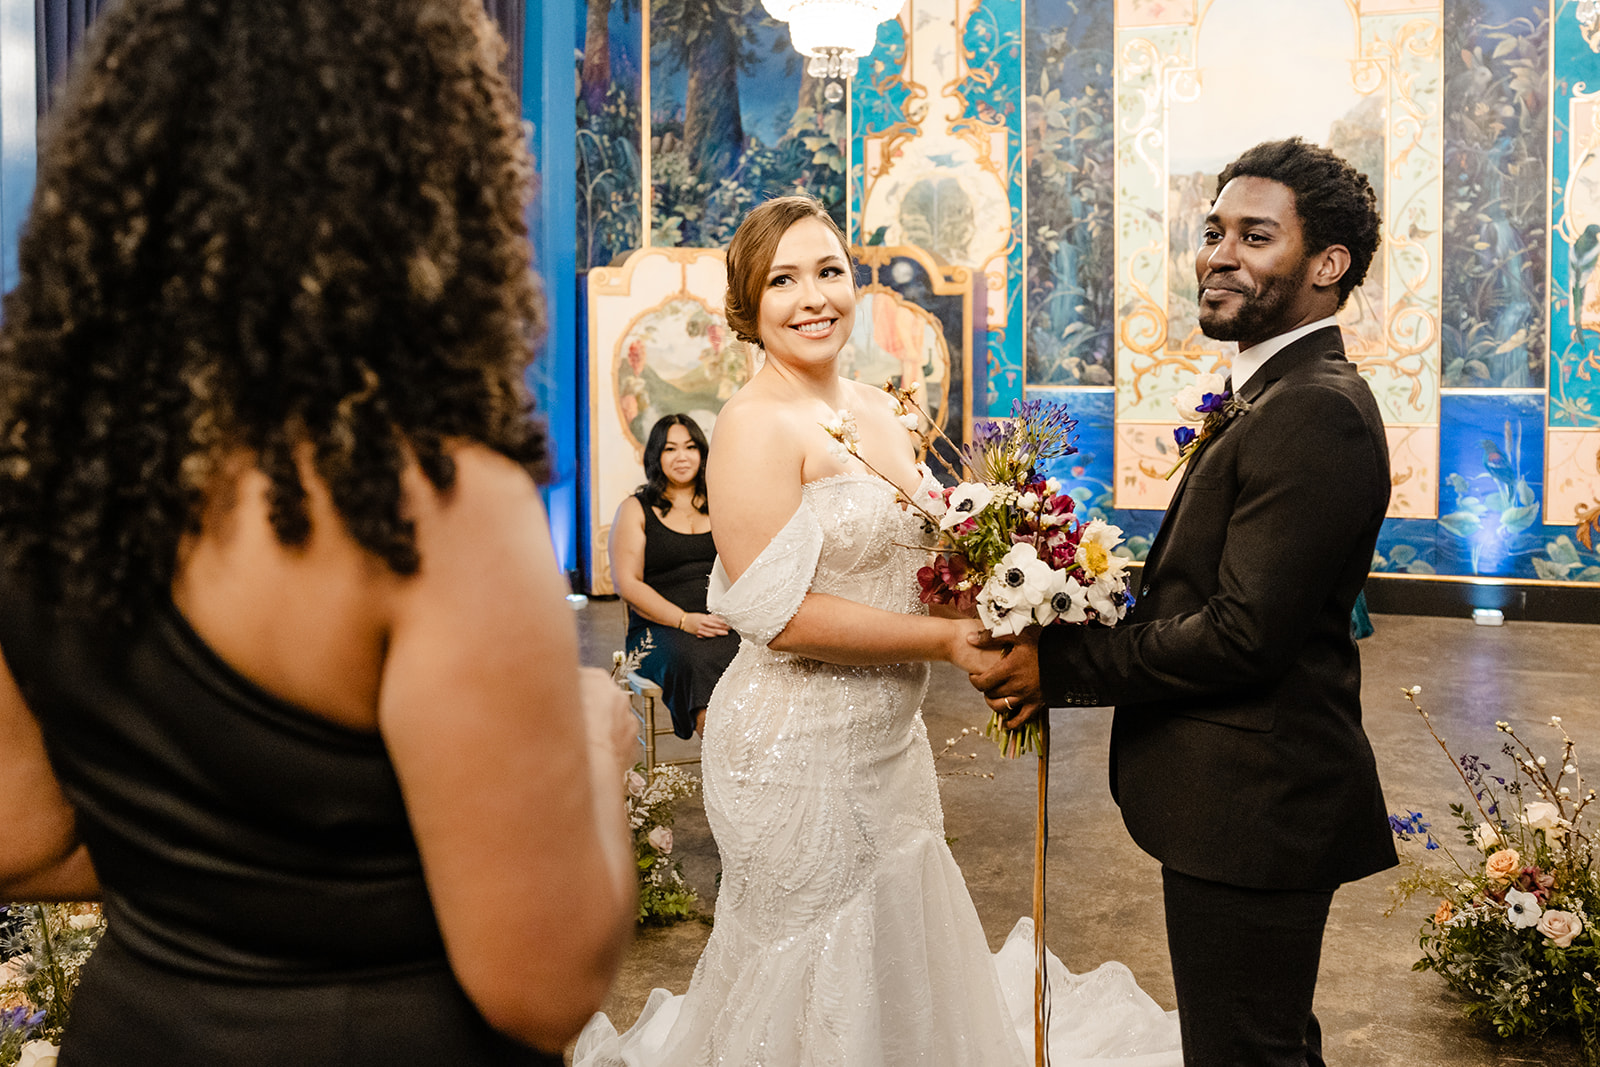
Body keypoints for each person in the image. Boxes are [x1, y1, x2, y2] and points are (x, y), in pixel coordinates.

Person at [0, 1, 636, 1063]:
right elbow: (545, 981)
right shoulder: (433, 496)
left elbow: (20, 837)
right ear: (423, 166)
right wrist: (595, 738)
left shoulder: (33, 456)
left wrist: (238, 876)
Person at [573, 195, 1181, 1065]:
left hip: (889, 746)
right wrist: (941, 642)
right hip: (792, 753)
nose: (813, 296)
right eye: (784, 280)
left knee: (889, 955)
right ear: (750, 305)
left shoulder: (881, 408)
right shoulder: (750, 425)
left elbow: (919, 563)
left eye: (829, 271)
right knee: (813, 967)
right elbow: (777, 616)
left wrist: (1015, 610)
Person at [969, 137, 1398, 1066]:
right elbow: (1214, 583)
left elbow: (1246, 635)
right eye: (1212, 232)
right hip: (1237, 802)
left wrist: (1060, 666)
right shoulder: (1271, 392)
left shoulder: (1313, 408)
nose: (1218, 254)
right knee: (1264, 1038)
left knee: (1243, 1050)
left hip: (1259, 805)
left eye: (1254, 236)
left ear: (1328, 265)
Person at [608, 414, 739, 738]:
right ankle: (725, 764)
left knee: (763, 649)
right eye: (670, 449)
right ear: (656, 455)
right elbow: (627, 584)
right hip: (661, 628)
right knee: (692, 658)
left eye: (690, 447)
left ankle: (762, 759)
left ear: (702, 452)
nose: (682, 457)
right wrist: (684, 620)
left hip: (722, 618)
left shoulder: (723, 501)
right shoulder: (635, 509)